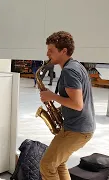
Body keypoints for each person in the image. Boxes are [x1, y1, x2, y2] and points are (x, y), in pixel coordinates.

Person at [39, 31, 95, 180]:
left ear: (63, 51)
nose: (47, 53)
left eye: (51, 50)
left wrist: (52, 96)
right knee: (59, 163)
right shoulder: (75, 66)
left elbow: (77, 104)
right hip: (75, 127)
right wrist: (56, 108)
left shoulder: (70, 71)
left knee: (47, 165)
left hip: (78, 130)